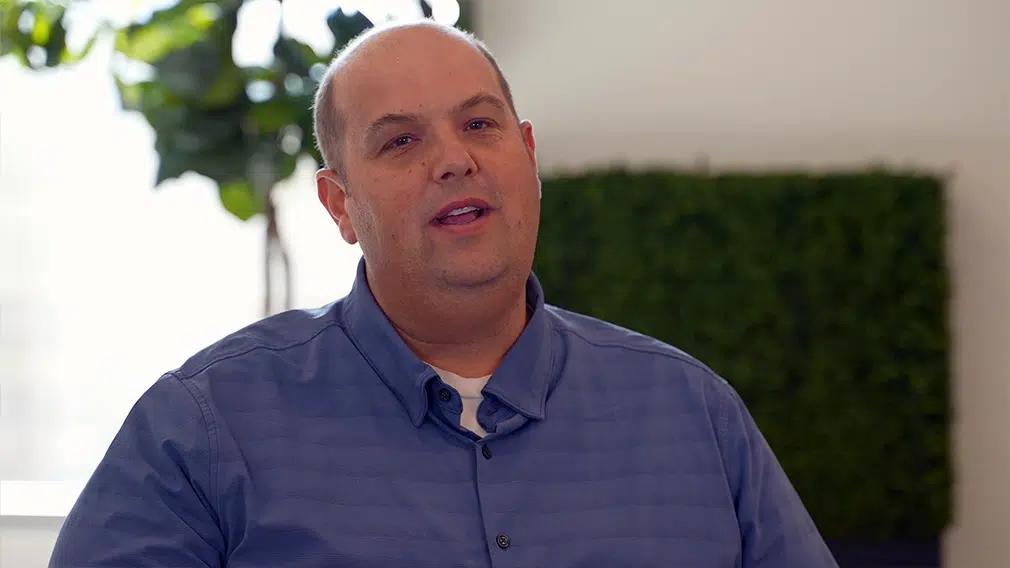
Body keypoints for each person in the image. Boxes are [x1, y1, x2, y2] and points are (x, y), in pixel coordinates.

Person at [50, 20, 837, 568]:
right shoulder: (201, 429)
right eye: (401, 140)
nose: (455, 160)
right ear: (338, 205)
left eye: (480, 125)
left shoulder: (694, 414)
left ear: (528, 156)